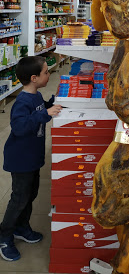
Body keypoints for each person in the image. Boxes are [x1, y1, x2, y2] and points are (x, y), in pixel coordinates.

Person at [0, 56, 62, 261]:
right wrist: (45, 114)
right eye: (46, 72)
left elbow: (41, 108)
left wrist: (53, 102)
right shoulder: (22, 101)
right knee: (19, 199)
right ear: (34, 78)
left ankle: (21, 227)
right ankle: (4, 235)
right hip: (21, 160)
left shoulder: (36, 96)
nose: (49, 74)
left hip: (33, 158)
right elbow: (19, 127)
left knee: (31, 193)